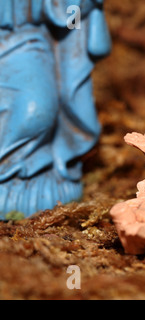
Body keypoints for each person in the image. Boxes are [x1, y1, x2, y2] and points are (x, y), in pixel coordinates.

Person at [0, 0, 111, 218]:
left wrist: (81, 9)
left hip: (26, 41)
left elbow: (69, 19)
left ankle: (17, 174)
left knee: (35, 111)